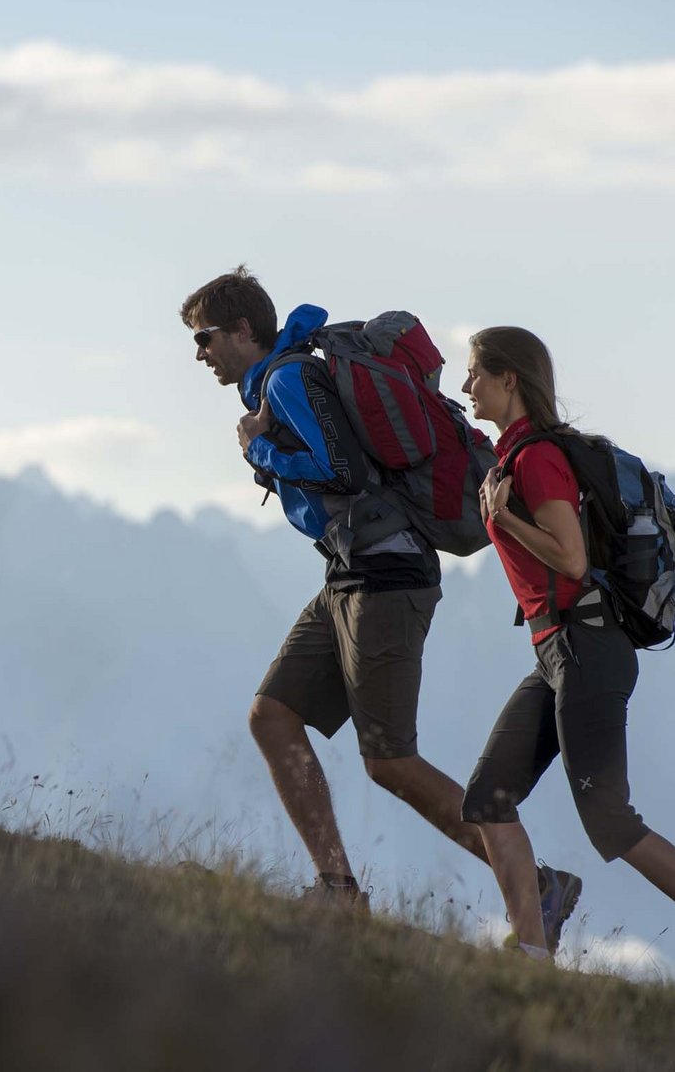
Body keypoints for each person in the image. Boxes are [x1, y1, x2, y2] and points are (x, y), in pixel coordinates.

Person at [180, 267, 578, 947]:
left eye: (206, 337)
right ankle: (338, 890)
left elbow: (344, 470)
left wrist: (260, 448)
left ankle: (538, 885)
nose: (200, 353)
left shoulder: (286, 380)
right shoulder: (281, 380)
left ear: (245, 330)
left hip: (386, 575)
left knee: (389, 758)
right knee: (272, 715)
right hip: (349, 573)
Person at [460, 325, 675, 959]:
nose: (467, 384)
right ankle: (531, 953)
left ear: (510, 379)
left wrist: (504, 520)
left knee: (609, 819)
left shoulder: (537, 459)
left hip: (587, 646)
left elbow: (573, 560)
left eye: (476, 372)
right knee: (488, 799)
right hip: (557, 652)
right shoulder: (514, 458)